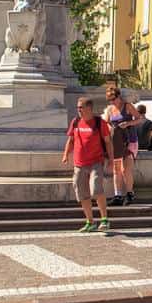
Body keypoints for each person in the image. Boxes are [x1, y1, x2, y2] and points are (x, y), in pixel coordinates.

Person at [61, 96, 114, 232]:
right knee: (82, 193)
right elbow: (71, 140)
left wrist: (111, 160)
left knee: (96, 189)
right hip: (79, 163)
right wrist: (66, 154)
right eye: (78, 108)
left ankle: (104, 219)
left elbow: (108, 142)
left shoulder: (99, 123)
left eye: (81, 107)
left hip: (96, 161)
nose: (79, 110)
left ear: (89, 108)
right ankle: (90, 222)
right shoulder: (76, 122)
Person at [103, 87, 143, 206]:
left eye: (113, 99)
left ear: (119, 97)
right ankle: (118, 195)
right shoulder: (110, 109)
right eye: (109, 100)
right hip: (117, 142)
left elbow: (139, 119)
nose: (112, 102)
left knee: (126, 169)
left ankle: (130, 193)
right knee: (116, 170)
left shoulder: (127, 106)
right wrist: (109, 127)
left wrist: (128, 123)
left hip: (130, 140)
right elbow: (105, 123)